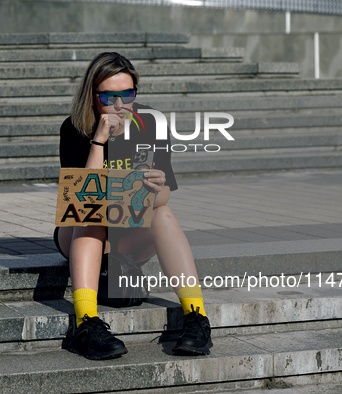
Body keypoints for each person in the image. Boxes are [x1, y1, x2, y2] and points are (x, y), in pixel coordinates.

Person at [54, 52, 212, 360]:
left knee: (163, 214)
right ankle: (86, 323)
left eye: (127, 94)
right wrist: (99, 140)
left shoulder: (150, 123)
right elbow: (84, 198)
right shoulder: (74, 128)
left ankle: (196, 316)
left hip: (126, 236)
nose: (118, 104)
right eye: (108, 96)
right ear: (92, 95)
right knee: (94, 214)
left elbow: (164, 197)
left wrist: (156, 185)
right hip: (80, 234)